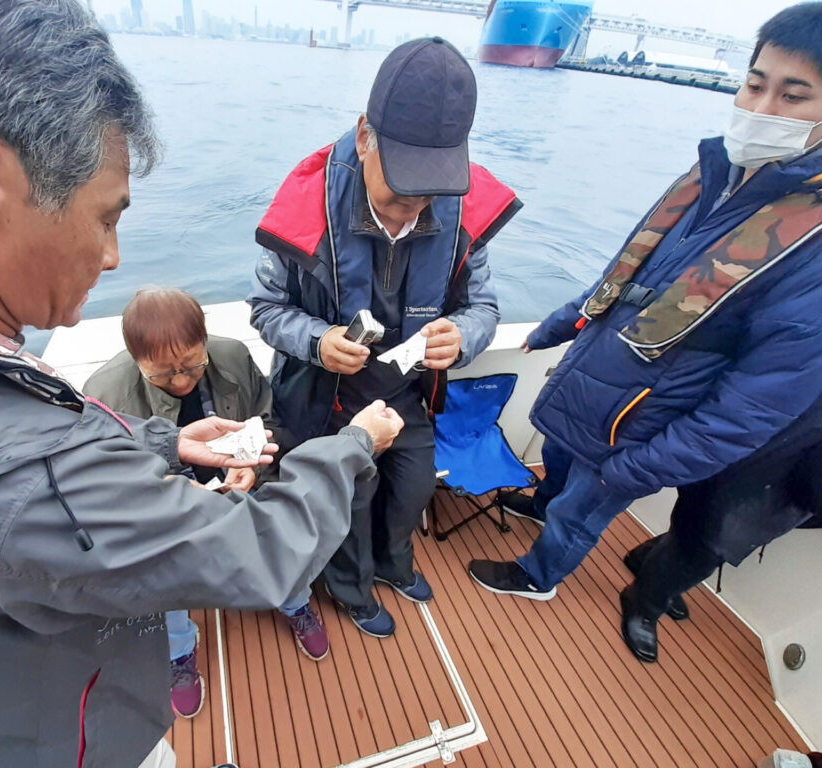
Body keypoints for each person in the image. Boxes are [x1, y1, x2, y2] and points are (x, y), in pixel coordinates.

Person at [0, 2, 405, 767]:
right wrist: (355, 444)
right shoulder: (38, 474)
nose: (113, 256)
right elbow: (259, 551)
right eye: (105, 217)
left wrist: (160, 440)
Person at [469, 2, 822, 603]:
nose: (761, 109)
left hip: (644, 428)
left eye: (795, 96)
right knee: (557, 466)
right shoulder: (709, 176)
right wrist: (558, 324)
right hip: (592, 383)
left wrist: (641, 467)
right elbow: (626, 275)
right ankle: (542, 501)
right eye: (755, 84)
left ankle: (538, 576)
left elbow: (751, 409)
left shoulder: (810, 250)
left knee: (582, 510)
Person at [249, 37, 520, 637]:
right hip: (327, 399)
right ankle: (351, 590)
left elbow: (484, 307)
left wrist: (466, 336)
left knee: (412, 488)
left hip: (406, 393)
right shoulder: (304, 211)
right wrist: (319, 342)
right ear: (365, 137)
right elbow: (266, 309)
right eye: (399, 195)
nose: (409, 214)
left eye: (428, 197)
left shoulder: (457, 212)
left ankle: (395, 564)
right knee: (348, 503)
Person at [84, 287, 331, 721]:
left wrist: (253, 467)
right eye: (162, 375)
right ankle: (179, 650)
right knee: (159, 567)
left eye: (192, 365)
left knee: (274, 533)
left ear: (206, 340)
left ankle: (294, 601)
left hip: (240, 488)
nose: (180, 380)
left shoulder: (233, 356)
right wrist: (171, 492)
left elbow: (267, 421)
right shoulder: (104, 394)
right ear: (133, 357)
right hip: (165, 511)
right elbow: (109, 484)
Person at [620, 393, 822, 662]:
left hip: (775, 461)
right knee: (707, 542)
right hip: (765, 464)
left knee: (701, 529)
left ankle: (645, 559)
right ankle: (643, 601)